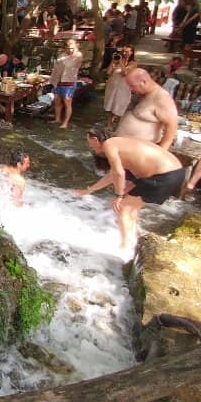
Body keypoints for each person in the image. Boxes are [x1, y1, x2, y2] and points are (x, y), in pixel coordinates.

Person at [77, 128, 184, 257]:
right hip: (176, 173)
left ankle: (124, 247)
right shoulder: (121, 143)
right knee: (131, 206)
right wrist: (89, 190)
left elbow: (118, 173)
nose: (91, 147)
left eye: (90, 144)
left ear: (95, 139)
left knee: (122, 207)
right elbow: (113, 176)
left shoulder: (109, 145)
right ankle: (133, 239)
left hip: (164, 176)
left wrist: (119, 195)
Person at [115, 68, 178, 150]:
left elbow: (171, 128)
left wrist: (161, 153)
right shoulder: (140, 93)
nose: (130, 89)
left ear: (144, 82)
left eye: (132, 86)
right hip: (123, 147)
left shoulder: (162, 98)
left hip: (141, 151)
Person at [50, 39, 83, 129]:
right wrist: (52, 80)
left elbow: (70, 62)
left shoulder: (78, 55)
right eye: (68, 47)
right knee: (56, 100)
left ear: (76, 46)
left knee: (67, 102)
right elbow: (56, 68)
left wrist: (74, 48)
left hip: (69, 81)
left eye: (71, 47)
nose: (69, 49)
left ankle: (65, 123)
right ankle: (57, 119)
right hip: (58, 81)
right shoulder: (62, 54)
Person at [104, 45, 136, 128]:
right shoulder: (116, 61)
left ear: (131, 52)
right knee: (110, 107)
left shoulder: (133, 63)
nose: (124, 53)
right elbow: (108, 72)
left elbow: (125, 73)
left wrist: (121, 62)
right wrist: (113, 61)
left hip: (123, 89)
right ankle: (109, 124)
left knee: (121, 107)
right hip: (112, 87)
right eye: (123, 51)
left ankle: (120, 126)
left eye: (127, 51)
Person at [172, 0, 200, 64]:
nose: (186, 7)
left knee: (188, 44)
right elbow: (186, 19)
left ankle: (186, 58)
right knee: (187, 44)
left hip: (191, 28)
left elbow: (190, 20)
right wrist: (181, 26)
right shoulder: (190, 11)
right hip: (188, 28)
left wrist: (182, 26)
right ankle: (185, 58)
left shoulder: (196, 10)